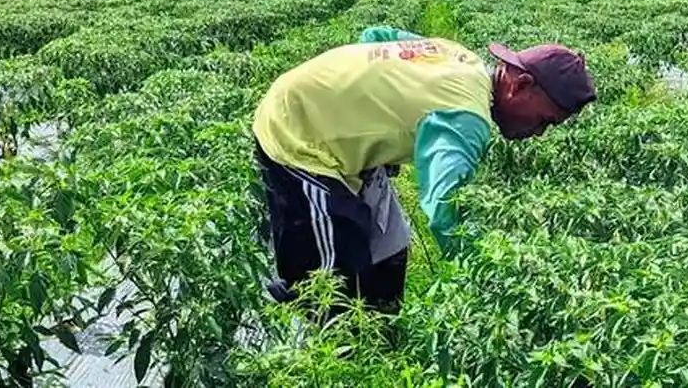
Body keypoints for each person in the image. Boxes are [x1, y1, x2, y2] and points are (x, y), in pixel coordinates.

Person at [251, 25, 596, 316]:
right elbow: (443, 210)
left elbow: (376, 34)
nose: (537, 133)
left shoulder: (460, 56)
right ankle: (327, 354)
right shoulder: (467, 116)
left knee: (390, 246)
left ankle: (382, 332)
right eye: (544, 120)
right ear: (519, 85)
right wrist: (488, 277)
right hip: (299, 130)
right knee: (332, 278)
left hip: (334, 129)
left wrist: (368, 99)